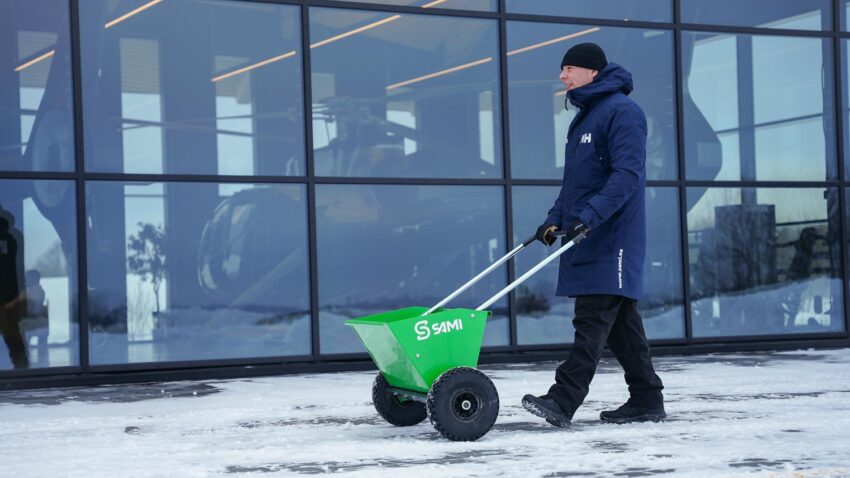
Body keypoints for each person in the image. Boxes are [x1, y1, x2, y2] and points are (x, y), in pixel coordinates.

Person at [521, 43, 665, 428]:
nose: (562, 76)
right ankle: (647, 399)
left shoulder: (623, 113)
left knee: (591, 321)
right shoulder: (584, 118)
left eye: (568, 68)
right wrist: (555, 219)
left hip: (612, 236)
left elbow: (626, 177)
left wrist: (589, 218)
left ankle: (562, 400)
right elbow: (575, 186)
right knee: (621, 328)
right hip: (589, 232)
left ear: (592, 73)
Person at [0, 212, 29, 369]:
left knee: (12, 334)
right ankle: (22, 365)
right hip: (11, 294)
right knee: (13, 335)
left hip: (7, 296)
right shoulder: (14, 237)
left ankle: (21, 366)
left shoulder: (8, 238)